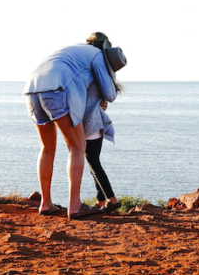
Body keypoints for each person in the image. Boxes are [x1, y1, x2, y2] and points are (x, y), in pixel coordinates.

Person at [24, 33, 127, 219]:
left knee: (47, 148)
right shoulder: (97, 55)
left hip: (31, 88)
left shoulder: (74, 51)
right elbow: (110, 94)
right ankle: (75, 206)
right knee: (78, 147)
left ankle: (46, 204)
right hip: (57, 89)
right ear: (105, 48)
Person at [81, 32, 123, 212]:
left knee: (93, 164)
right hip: (97, 121)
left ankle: (112, 200)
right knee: (94, 163)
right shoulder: (102, 69)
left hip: (89, 122)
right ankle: (100, 202)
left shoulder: (88, 68)